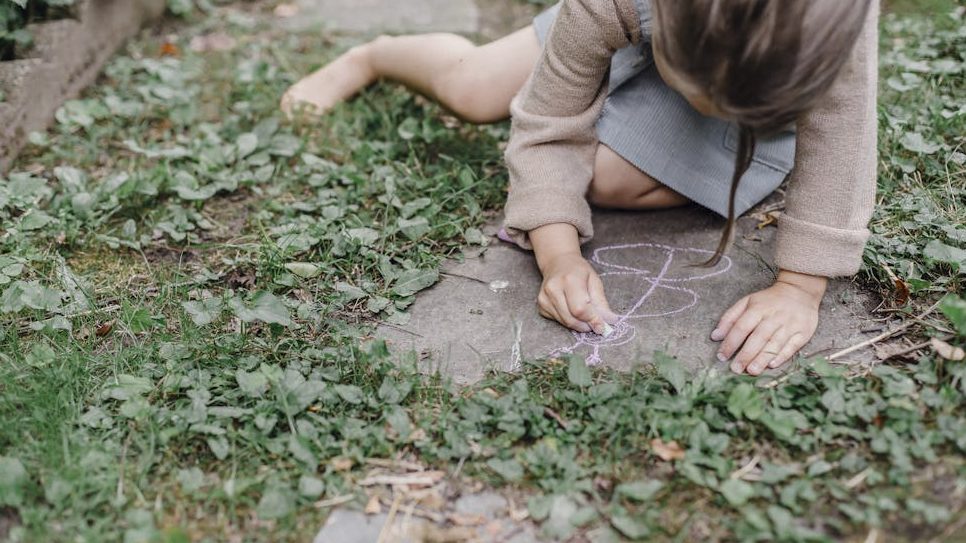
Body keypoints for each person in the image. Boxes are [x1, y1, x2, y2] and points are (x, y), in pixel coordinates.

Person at [280, 0, 879, 376]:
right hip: (636, 25)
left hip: (762, 99)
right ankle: (373, 55)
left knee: (608, 179)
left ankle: (669, 107)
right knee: (473, 88)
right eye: (695, 91)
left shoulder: (830, 28)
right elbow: (547, 124)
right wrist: (558, 253)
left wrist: (800, 287)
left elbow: (842, 140)